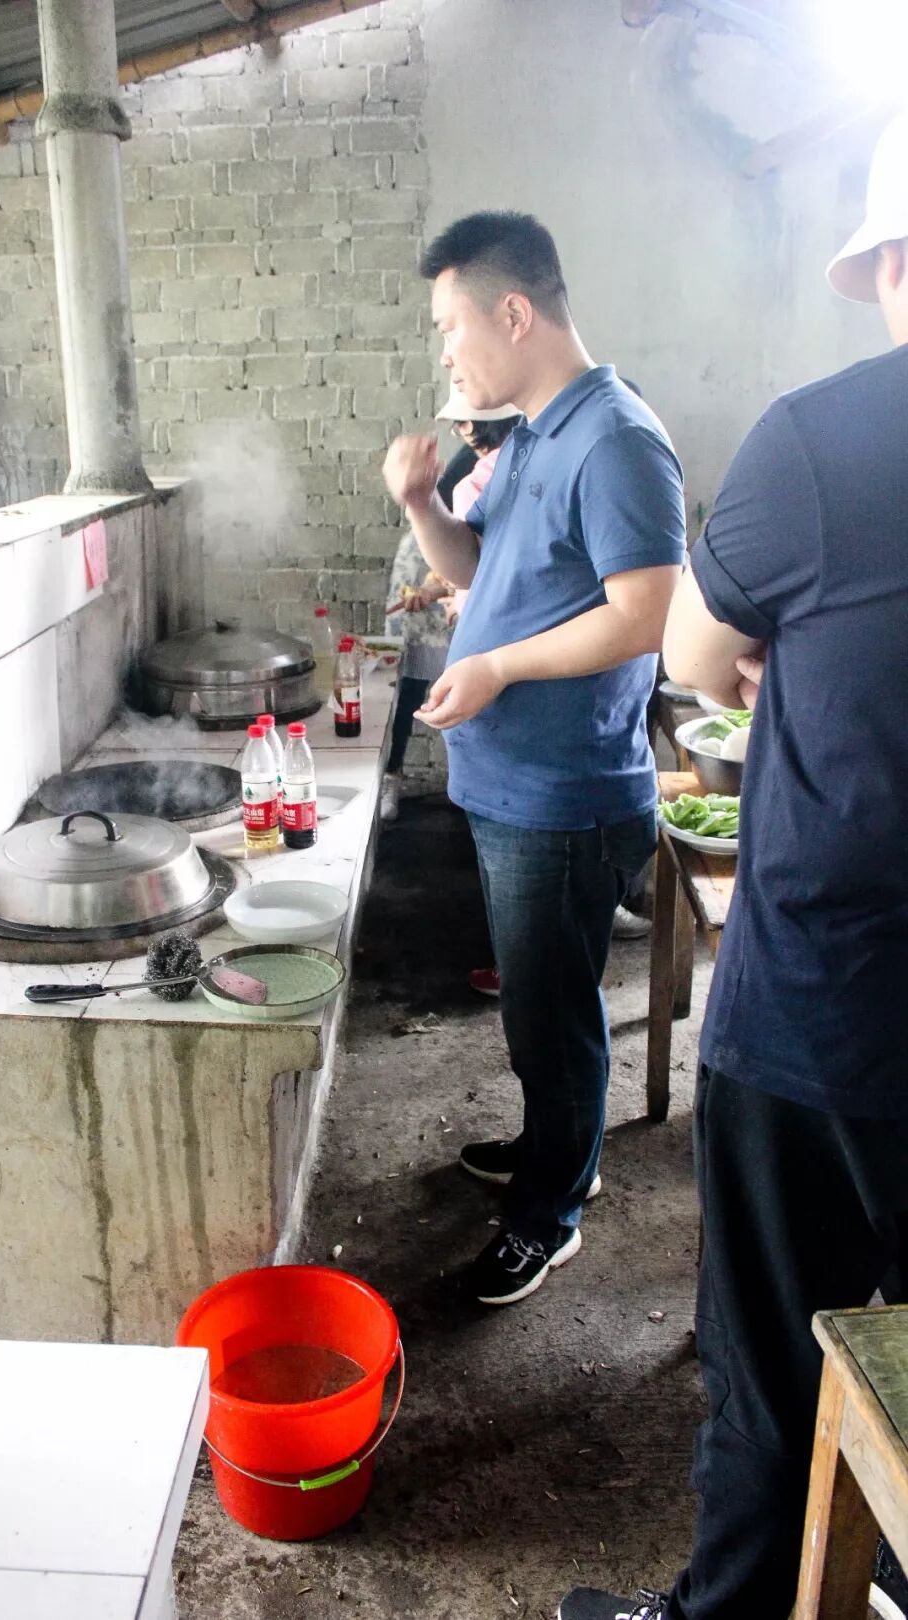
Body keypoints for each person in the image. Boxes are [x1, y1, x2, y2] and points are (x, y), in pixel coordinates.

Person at [560, 111, 908, 1620]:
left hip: (830, 1008)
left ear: (890, 262)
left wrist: (795, 651)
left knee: (772, 1364)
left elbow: (696, 657)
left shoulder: (826, 440)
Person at [382, 212, 685, 1306]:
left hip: (567, 798)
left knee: (554, 1022)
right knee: (539, 1011)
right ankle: (560, 1148)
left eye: (449, 326)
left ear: (512, 312)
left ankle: (551, 1211)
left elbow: (645, 616)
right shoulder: (534, 433)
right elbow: (477, 569)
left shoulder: (615, 440)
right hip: (515, 788)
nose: (446, 353)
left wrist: (499, 666)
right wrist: (421, 503)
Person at [380, 388, 519, 824]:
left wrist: (443, 591)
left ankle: (468, 790)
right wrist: (428, 589)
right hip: (430, 565)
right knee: (411, 690)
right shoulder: (472, 468)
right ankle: (392, 776)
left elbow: (481, 557)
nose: (460, 432)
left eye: (464, 424)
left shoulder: (508, 465)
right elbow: (464, 552)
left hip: (461, 595)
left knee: (465, 693)